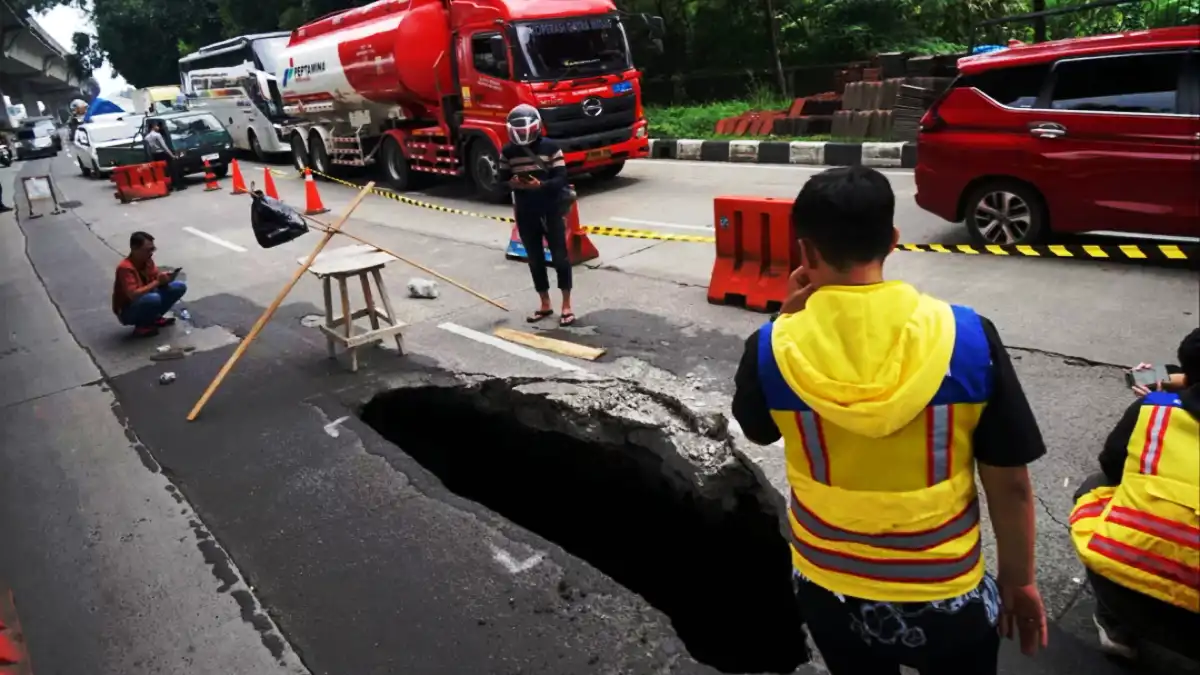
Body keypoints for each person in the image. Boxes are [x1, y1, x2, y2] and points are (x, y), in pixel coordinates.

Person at [731, 166, 1048, 675]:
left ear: (806, 252)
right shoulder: (966, 337)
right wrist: (1020, 581)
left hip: (829, 584)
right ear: (893, 240)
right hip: (945, 588)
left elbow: (758, 429)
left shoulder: (772, 347)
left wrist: (787, 317)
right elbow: (1010, 484)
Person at [1069, 328, 1199, 664]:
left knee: (1094, 487)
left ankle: (1116, 625)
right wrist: (1164, 379)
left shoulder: (1153, 410)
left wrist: (1157, 391)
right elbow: (1135, 377)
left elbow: (1113, 468)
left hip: (1134, 599)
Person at [497, 104, 575, 327]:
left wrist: (541, 185)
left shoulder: (551, 147)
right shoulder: (508, 152)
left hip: (550, 209)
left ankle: (567, 306)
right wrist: (510, 183)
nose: (522, 136)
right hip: (525, 212)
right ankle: (544, 303)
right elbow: (500, 183)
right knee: (535, 259)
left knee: (560, 258)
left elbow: (561, 178)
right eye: (518, 132)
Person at [112, 231, 187, 337]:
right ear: (134, 249)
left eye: (152, 249)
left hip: (147, 297)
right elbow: (133, 294)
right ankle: (142, 325)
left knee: (178, 286)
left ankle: (154, 318)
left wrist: (165, 279)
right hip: (127, 309)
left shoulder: (147, 261)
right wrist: (157, 282)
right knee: (153, 298)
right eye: (147, 250)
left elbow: (155, 277)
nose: (151, 253)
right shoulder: (125, 268)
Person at [144, 121, 185, 191]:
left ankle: (167, 187)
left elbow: (148, 149)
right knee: (173, 169)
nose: (158, 127)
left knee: (161, 171)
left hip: (155, 155)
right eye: (157, 126)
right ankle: (178, 185)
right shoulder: (157, 135)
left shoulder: (146, 137)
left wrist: (150, 158)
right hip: (163, 153)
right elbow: (164, 146)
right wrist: (172, 155)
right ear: (153, 127)